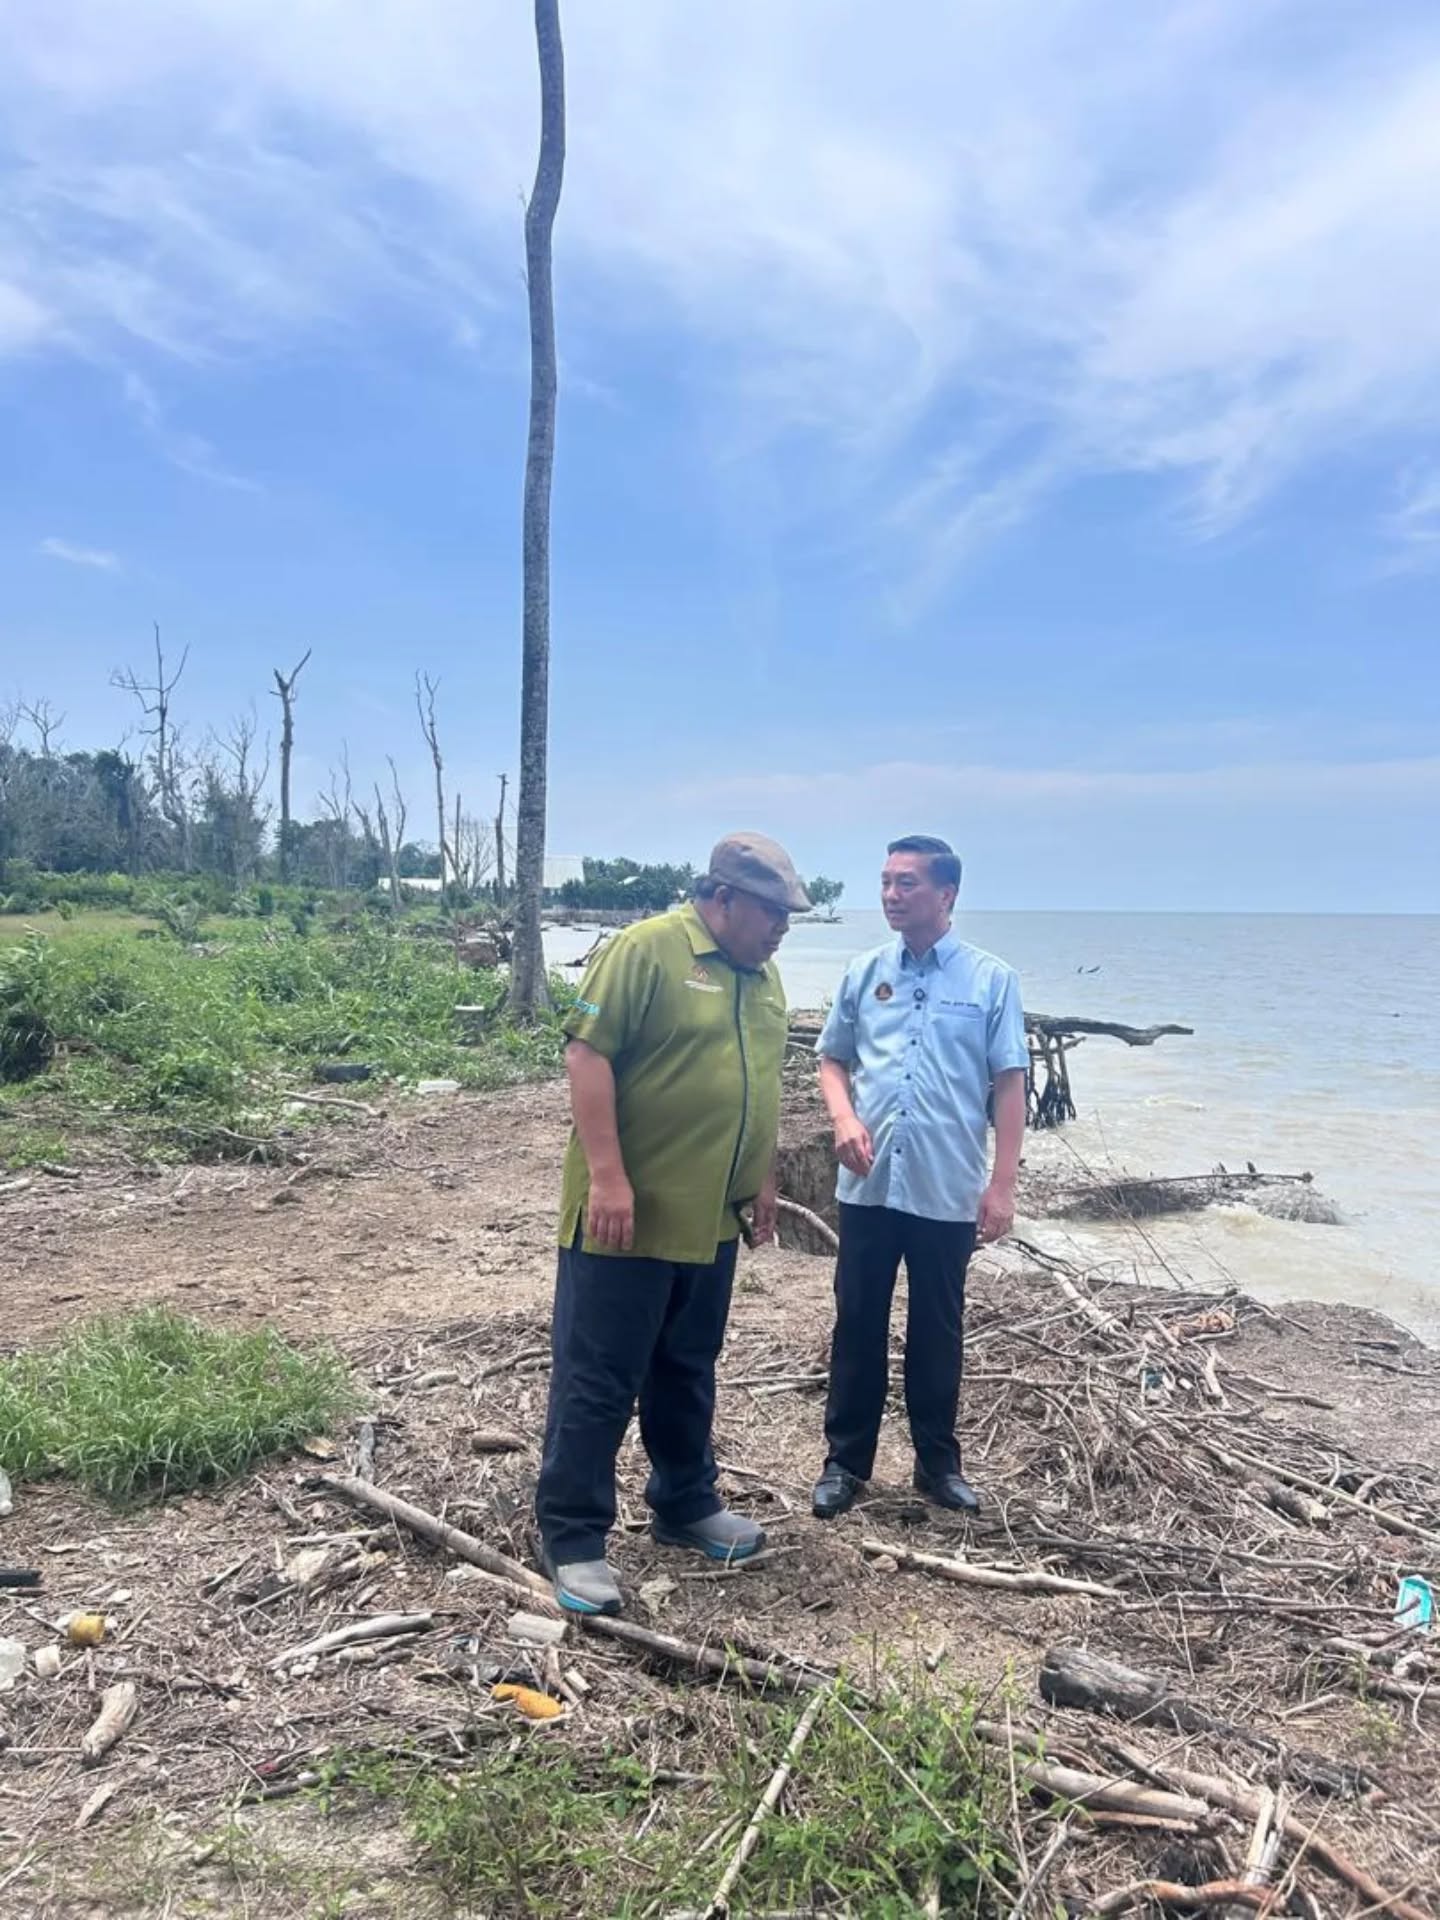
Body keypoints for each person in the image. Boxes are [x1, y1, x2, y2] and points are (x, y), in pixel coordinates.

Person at [535, 833, 811, 1615]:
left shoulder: (762, 976)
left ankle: (685, 1502)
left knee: (688, 1367)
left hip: (711, 1221)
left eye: (790, 915)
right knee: (599, 1377)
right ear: (722, 898)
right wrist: (609, 1178)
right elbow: (587, 1057)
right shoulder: (646, 950)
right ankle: (572, 1534)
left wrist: (761, 1180)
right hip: (629, 1215)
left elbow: (756, 1085)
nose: (783, 926)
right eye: (772, 911)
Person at [810, 834, 1027, 1520]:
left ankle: (938, 1466)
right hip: (868, 1183)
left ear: (946, 894)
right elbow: (832, 1059)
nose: (891, 894)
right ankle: (846, 1464)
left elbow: (1010, 1085)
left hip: (945, 1186)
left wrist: (1002, 1186)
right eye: (885, 882)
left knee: (938, 1329)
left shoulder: (990, 980)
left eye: (907, 883)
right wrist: (843, 1117)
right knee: (858, 1324)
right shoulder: (865, 972)